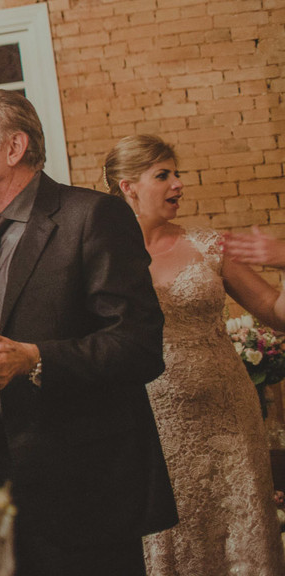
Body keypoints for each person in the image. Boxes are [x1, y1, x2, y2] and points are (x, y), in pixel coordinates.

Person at [0, 90, 177, 576]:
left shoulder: (93, 217)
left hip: (83, 491)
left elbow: (139, 346)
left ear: (14, 147)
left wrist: (32, 358)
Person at [103, 134, 285, 576]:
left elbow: (274, 311)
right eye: (163, 175)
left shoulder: (209, 246)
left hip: (228, 417)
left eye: (177, 173)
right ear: (128, 186)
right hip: (150, 418)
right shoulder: (101, 256)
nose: (178, 184)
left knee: (238, 531)